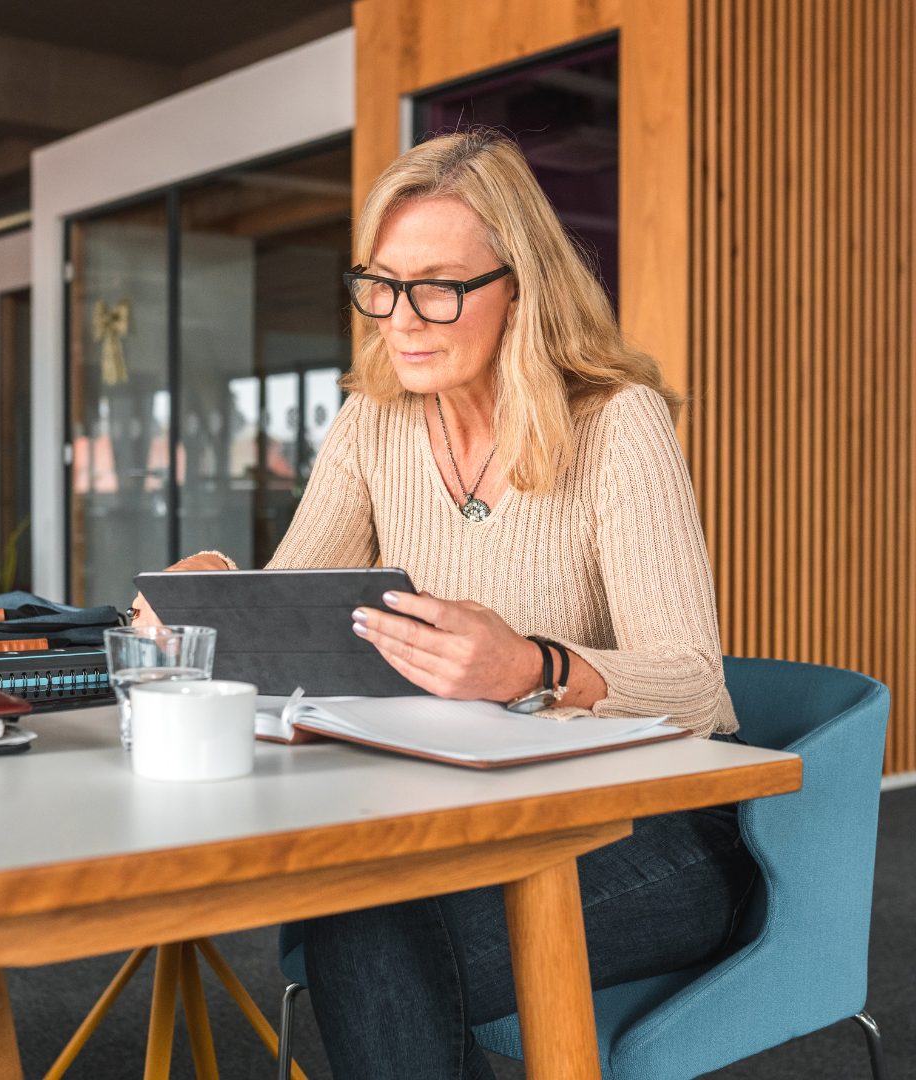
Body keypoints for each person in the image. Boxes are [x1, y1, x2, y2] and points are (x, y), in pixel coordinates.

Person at [130, 130, 756, 1080]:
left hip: (652, 830)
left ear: (521, 287)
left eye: (438, 287)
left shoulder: (615, 423)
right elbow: (290, 619)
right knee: (367, 907)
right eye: (380, 284)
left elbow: (696, 687)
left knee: (371, 926)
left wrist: (533, 668)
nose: (401, 319)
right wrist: (208, 601)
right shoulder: (375, 422)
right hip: (465, 813)